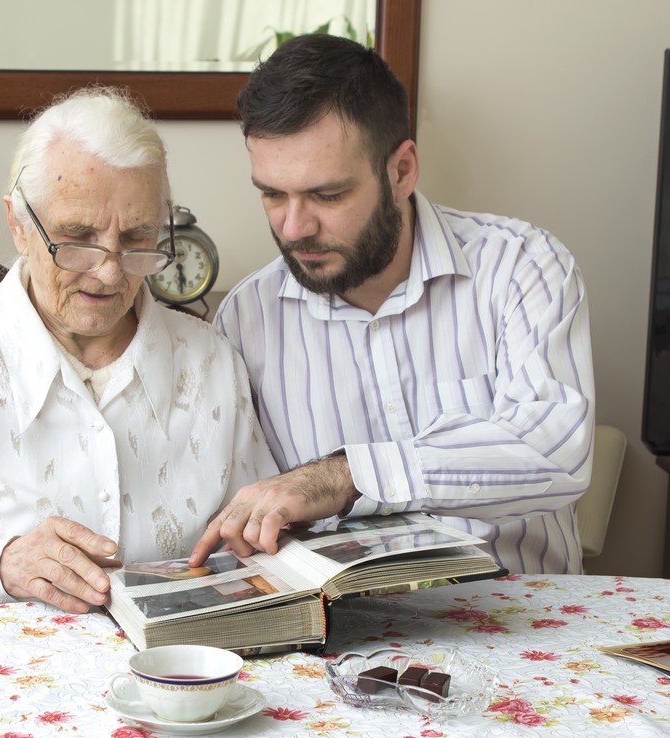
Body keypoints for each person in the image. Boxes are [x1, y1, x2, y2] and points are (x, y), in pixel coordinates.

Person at [0, 87, 278, 616]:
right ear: (18, 225)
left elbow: (263, 558)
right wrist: (0, 566)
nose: (111, 271)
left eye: (138, 239)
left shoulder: (210, 363)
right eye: (77, 237)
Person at [191, 34, 594, 574]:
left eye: (327, 195)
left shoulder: (522, 267)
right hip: (342, 642)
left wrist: (346, 475)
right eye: (272, 194)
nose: (293, 227)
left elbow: (557, 451)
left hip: (528, 621)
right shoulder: (245, 319)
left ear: (402, 170)